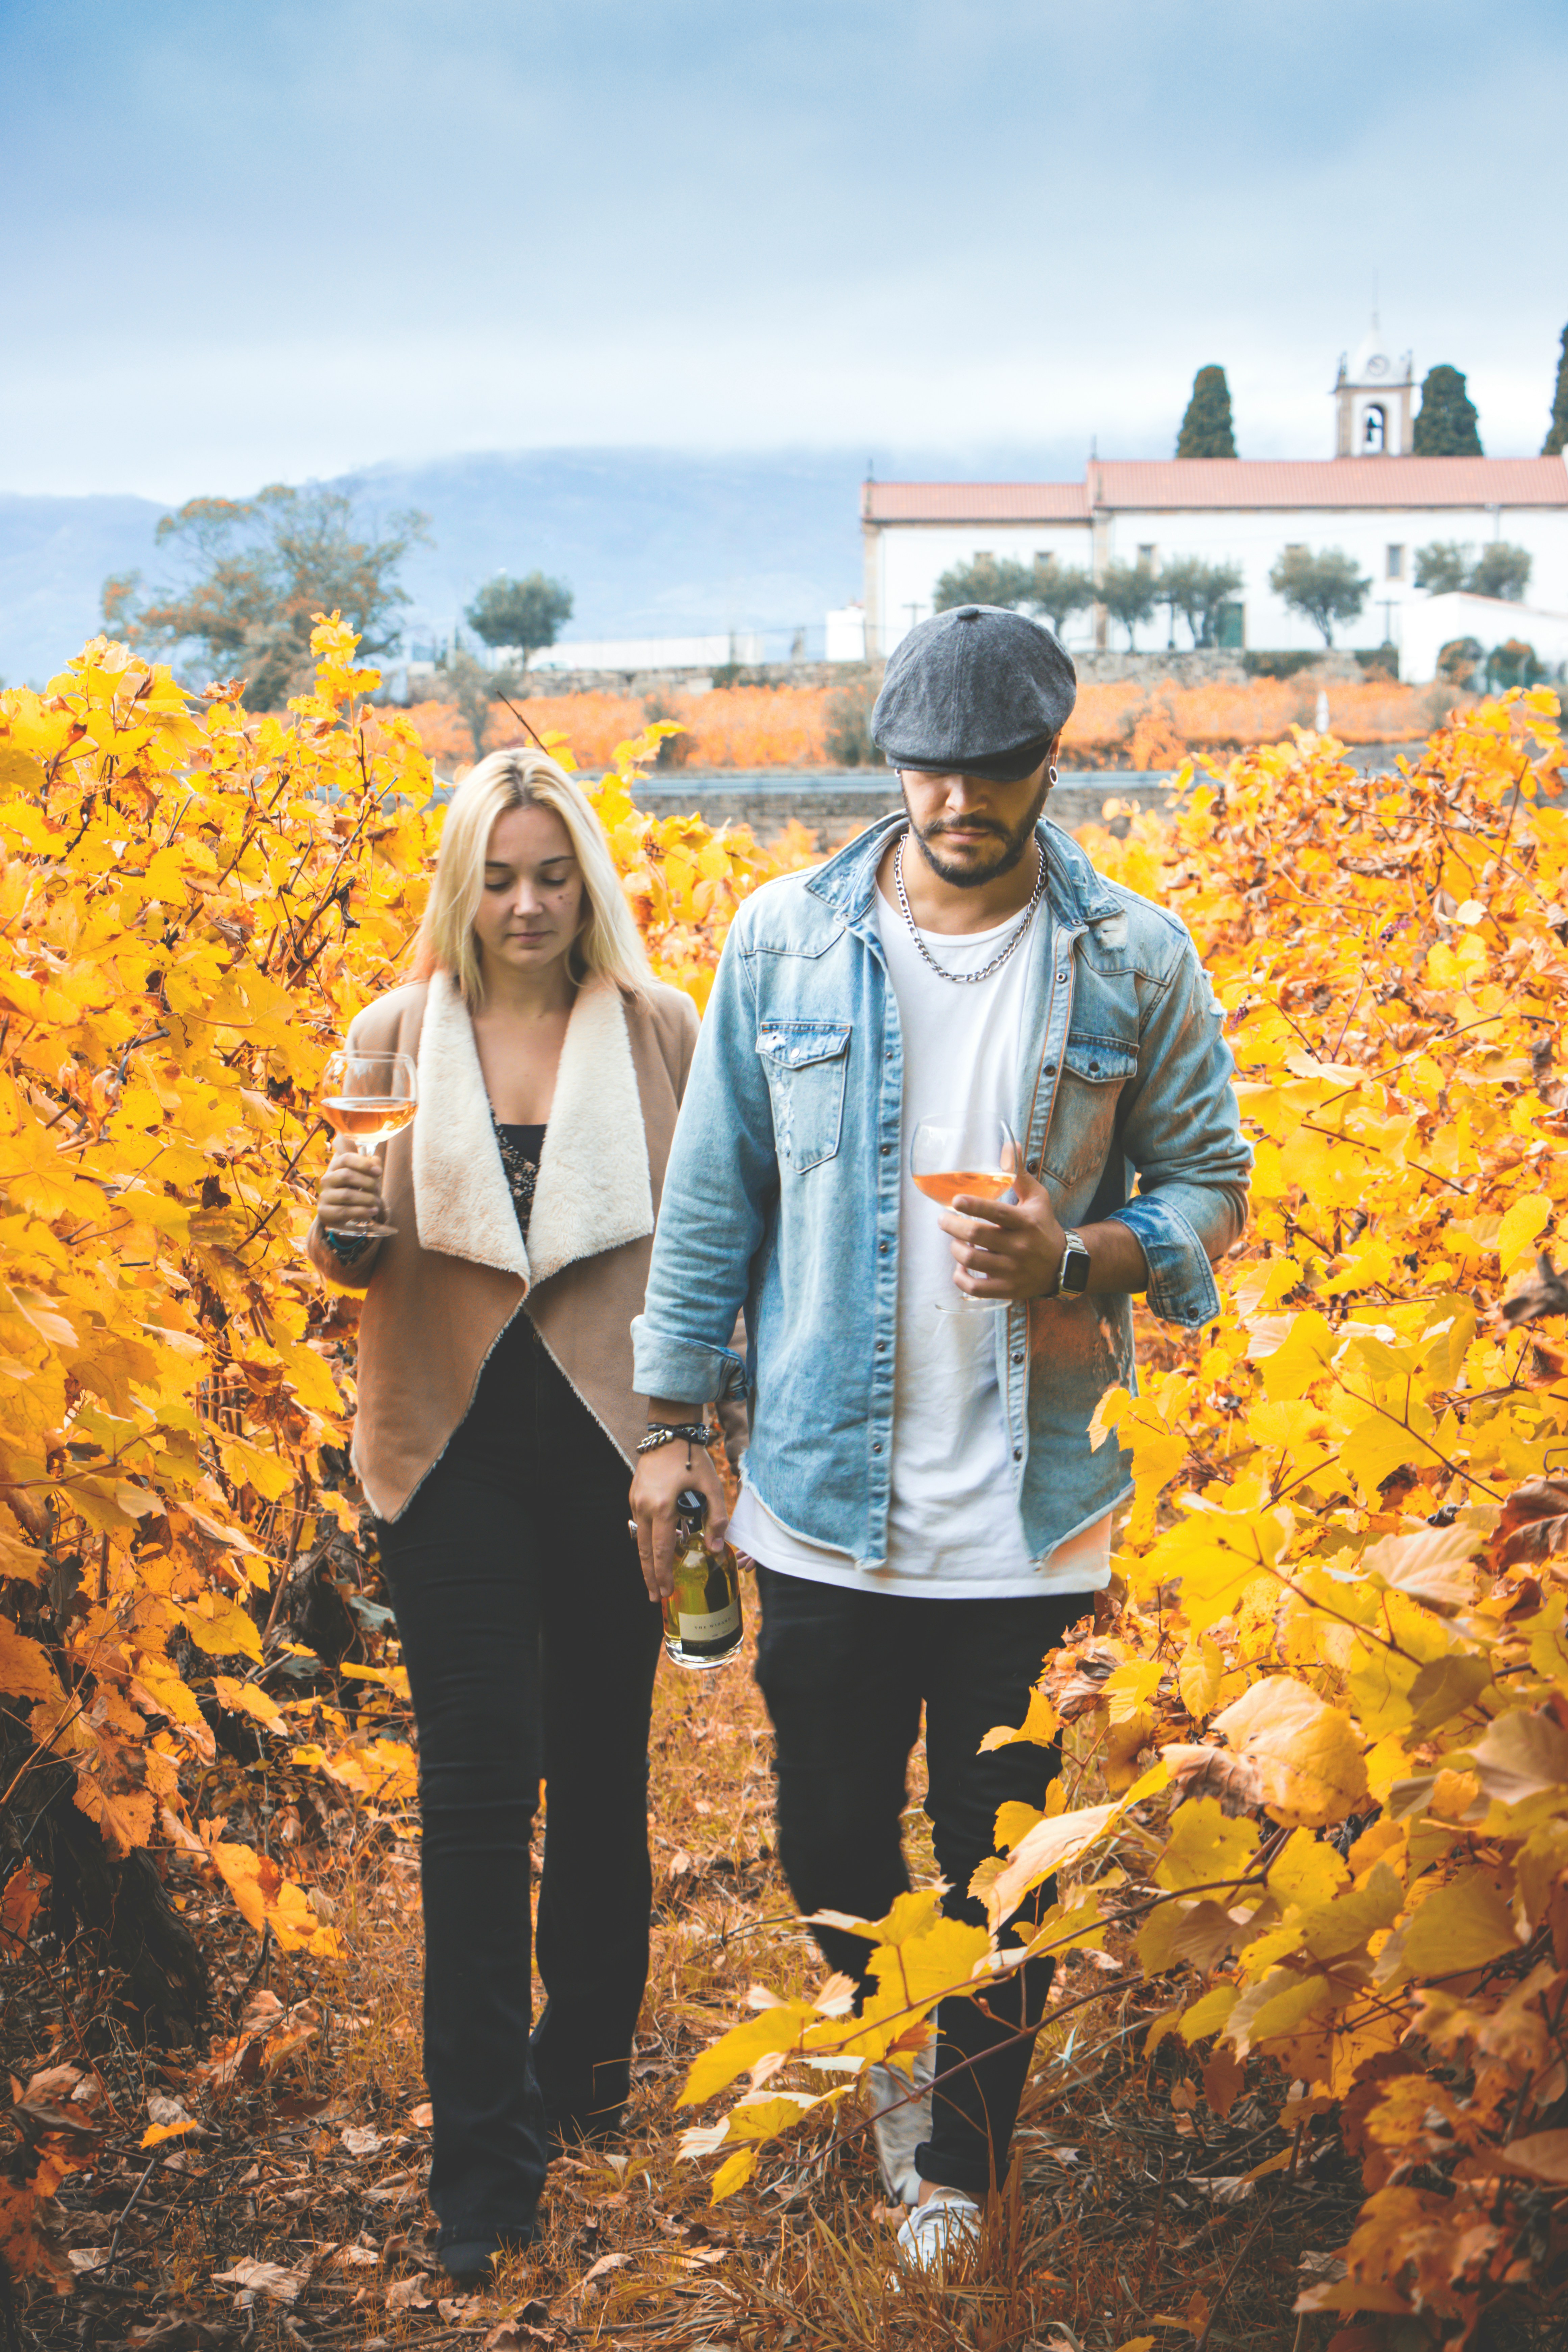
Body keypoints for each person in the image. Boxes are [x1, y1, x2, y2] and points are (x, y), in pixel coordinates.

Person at [629, 605, 1250, 2268]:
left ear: (1050, 764)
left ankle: (962, 2168)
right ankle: (888, 2041)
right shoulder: (781, 940)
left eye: (993, 773)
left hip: (1034, 1509)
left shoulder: (1133, 955)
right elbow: (711, 1208)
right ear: (892, 757)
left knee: (1006, 1866)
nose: (956, 801)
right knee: (827, 1834)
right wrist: (671, 1429)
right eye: (928, 770)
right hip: (827, 1495)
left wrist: (1077, 1255)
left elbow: (1212, 1188)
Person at [306, 746, 699, 2283]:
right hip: (452, 1448)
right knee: (478, 1792)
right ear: (461, 884)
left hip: (612, 1448)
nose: (527, 903)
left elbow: (714, 1245)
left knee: (603, 1764)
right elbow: (353, 1255)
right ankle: (482, 2165)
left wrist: (695, 1439)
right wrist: (338, 1239)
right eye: (500, 875)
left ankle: (585, 2070)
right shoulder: (397, 1033)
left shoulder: (659, 1029)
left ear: (585, 882)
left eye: (552, 874)